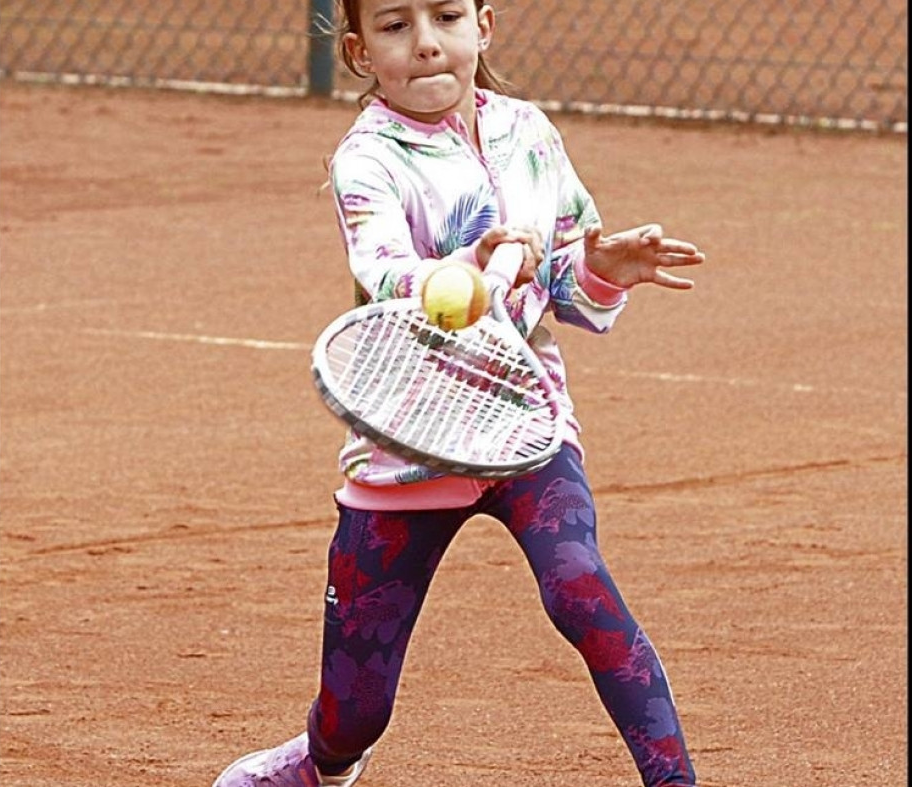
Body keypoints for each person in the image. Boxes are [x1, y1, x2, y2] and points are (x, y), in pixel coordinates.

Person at [211, 1, 705, 785]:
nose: (428, 43)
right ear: (360, 49)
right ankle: (318, 767)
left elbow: (561, 286)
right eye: (396, 25)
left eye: (446, 15)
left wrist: (604, 266)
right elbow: (387, 273)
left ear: (485, 26)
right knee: (354, 714)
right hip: (407, 444)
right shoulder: (366, 159)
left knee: (579, 583)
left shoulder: (531, 134)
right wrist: (465, 270)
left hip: (524, 426)